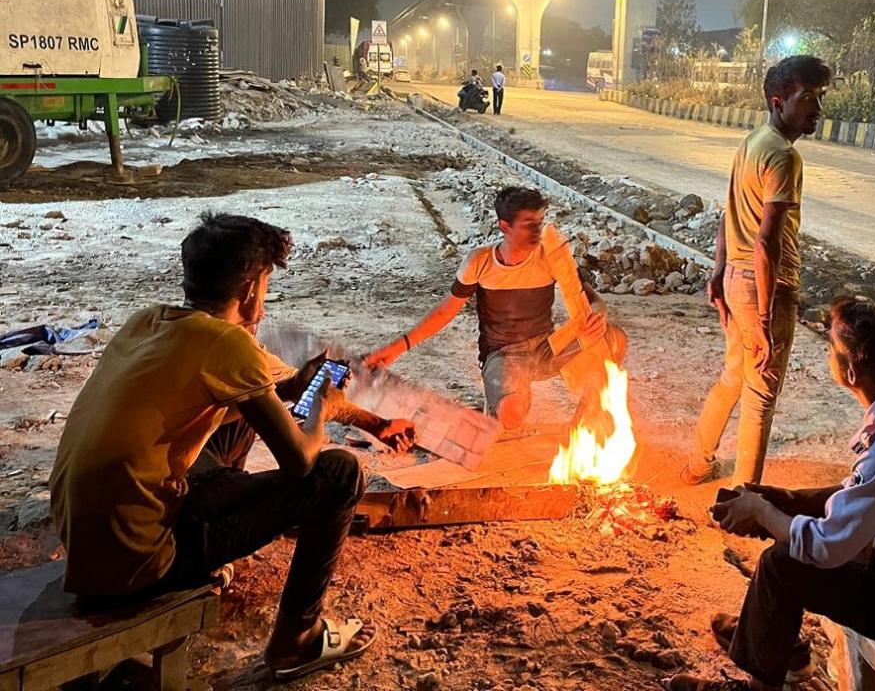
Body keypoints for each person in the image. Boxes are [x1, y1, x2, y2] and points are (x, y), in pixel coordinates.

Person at [50, 213, 418, 681]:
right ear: (249, 289)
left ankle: (214, 540)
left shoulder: (149, 322)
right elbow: (300, 460)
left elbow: (276, 387)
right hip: (138, 562)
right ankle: (296, 641)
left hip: (89, 540)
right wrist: (321, 407)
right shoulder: (229, 346)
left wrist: (369, 419)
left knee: (238, 416)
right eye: (264, 285)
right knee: (340, 473)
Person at [668, 300, 875, 691]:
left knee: (782, 564)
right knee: (786, 518)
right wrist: (782, 499)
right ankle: (773, 638)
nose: (826, 353)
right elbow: (863, 493)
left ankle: (758, 682)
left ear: (852, 371)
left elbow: (826, 547)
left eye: (831, 347)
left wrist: (759, 510)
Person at [683, 55, 832, 486]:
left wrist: (719, 272)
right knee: (761, 395)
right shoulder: (784, 157)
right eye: (808, 98)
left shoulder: (751, 143)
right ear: (778, 100)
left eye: (820, 97)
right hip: (764, 287)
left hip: (736, 281)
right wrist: (766, 319)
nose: (817, 109)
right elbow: (766, 241)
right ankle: (743, 499)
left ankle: (698, 463)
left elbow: (727, 211)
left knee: (734, 376)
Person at [365, 186, 627, 430]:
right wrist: (396, 348)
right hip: (504, 354)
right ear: (505, 226)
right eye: (529, 225)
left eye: (540, 222)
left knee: (613, 338)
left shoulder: (549, 257)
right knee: (511, 417)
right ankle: (497, 403)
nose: (538, 231)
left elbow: (590, 299)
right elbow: (446, 311)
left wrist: (598, 315)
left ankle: (584, 422)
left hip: (548, 347)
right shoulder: (480, 262)